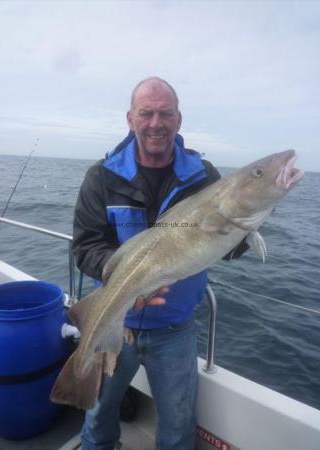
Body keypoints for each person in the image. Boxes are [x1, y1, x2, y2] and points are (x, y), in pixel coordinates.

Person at [73, 77, 248, 450]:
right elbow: (86, 246)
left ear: (179, 119)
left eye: (165, 113)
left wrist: (249, 220)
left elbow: (229, 250)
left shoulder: (205, 178)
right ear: (130, 118)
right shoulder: (101, 177)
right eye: (146, 113)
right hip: (112, 319)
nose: (156, 122)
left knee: (178, 426)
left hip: (175, 326)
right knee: (98, 419)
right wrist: (130, 276)